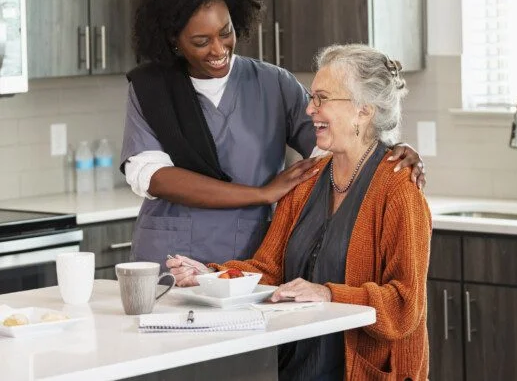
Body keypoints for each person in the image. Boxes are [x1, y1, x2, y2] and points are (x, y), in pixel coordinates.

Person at [121, 0, 426, 270]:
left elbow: (336, 141)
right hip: (170, 259)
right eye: (201, 41)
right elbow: (155, 177)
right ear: (174, 40)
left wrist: (389, 149)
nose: (218, 49)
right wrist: (263, 193)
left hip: (252, 259)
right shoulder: (151, 89)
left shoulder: (274, 83)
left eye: (225, 33)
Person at [167, 44, 431, 381]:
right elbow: (269, 270)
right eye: (312, 97)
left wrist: (328, 293)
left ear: (363, 111)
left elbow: (405, 306)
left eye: (322, 98)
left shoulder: (399, 190)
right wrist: (212, 275)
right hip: (298, 369)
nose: (309, 109)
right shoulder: (306, 179)